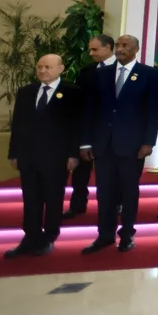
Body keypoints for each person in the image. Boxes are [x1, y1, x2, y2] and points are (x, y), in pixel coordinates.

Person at [80, 35, 158, 254]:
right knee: (104, 192)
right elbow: (90, 109)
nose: (120, 49)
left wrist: (148, 142)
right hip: (103, 144)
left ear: (136, 49)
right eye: (118, 45)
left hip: (132, 145)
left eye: (125, 46)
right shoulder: (101, 74)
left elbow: (153, 111)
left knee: (128, 191)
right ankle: (105, 235)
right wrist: (86, 142)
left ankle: (127, 235)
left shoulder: (149, 74)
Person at [5, 54, 83, 258]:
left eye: (47, 67)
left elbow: (76, 127)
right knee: (30, 199)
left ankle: (49, 237)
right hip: (28, 156)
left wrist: (73, 154)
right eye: (39, 67)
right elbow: (17, 124)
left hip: (57, 157)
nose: (42, 71)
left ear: (61, 68)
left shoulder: (72, 92)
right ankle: (30, 237)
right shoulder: (26, 92)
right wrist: (14, 153)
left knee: (53, 198)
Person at [65, 34, 116, 220]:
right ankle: (77, 205)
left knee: (112, 174)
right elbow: (79, 103)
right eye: (90, 49)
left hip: (111, 131)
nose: (91, 53)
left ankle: (114, 206)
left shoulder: (121, 70)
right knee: (80, 172)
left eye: (95, 49)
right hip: (87, 129)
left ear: (108, 47)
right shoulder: (86, 72)